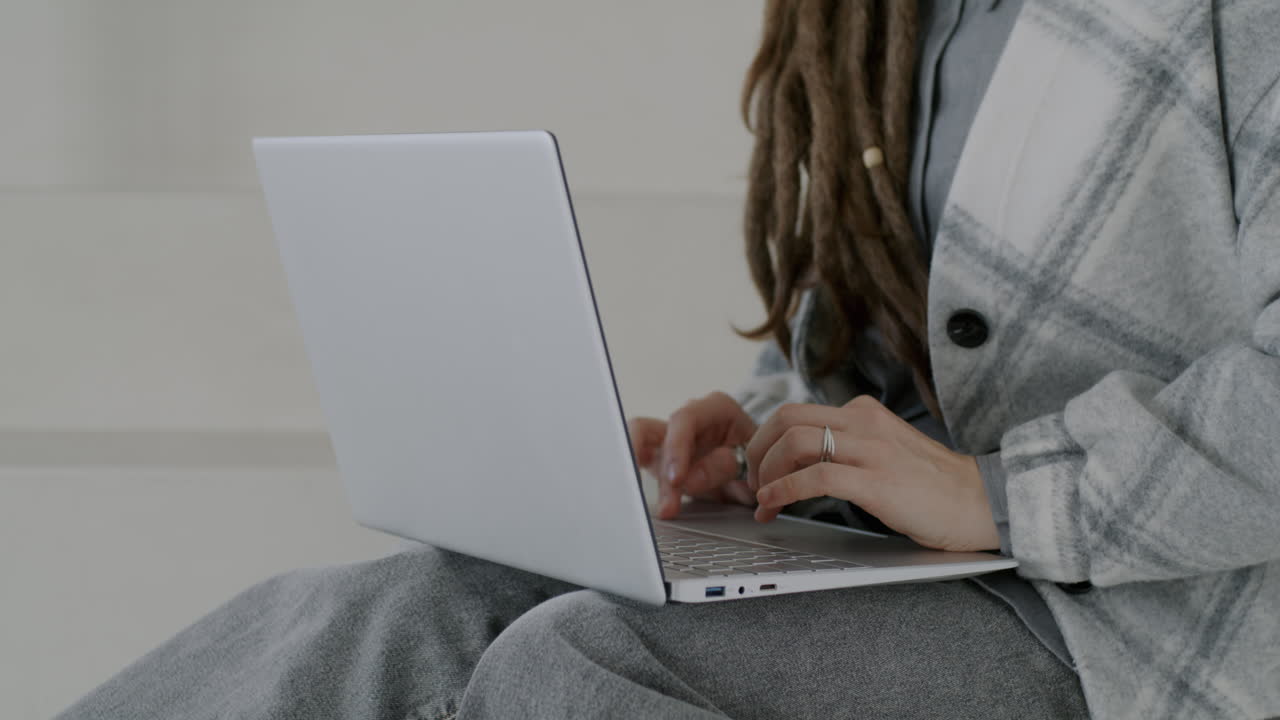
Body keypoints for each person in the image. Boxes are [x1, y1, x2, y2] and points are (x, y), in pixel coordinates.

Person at [58, 0, 1280, 718]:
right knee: (387, 611)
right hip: (895, 560)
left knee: (580, 667)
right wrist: (773, 437)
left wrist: (1003, 498)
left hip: (1141, 618)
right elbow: (909, 352)